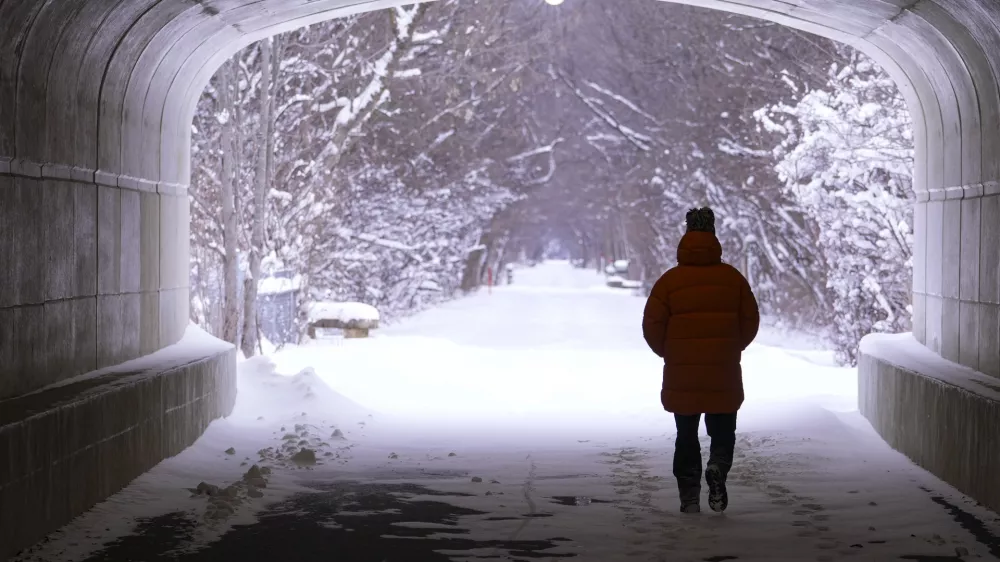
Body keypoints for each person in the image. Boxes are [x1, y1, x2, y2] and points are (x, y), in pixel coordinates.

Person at [641, 207, 760, 514]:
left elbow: (652, 325)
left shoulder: (669, 282)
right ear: (714, 235)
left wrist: (672, 353)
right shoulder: (733, 279)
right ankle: (718, 466)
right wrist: (731, 348)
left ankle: (689, 496)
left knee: (685, 435)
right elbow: (750, 321)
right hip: (723, 370)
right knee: (723, 431)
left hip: (683, 374)